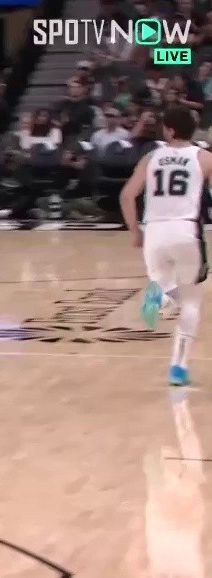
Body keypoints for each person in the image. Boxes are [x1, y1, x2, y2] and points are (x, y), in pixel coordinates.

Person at [119, 105, 212, 386]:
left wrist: (134, 231)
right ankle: (178, 368)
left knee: (164, 284)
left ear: (169, 131)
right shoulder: (204, 157)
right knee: (191, 300)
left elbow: (127, 196)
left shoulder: (151, 157)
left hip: (155, 232)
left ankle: (161, 297)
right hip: (186, 230)